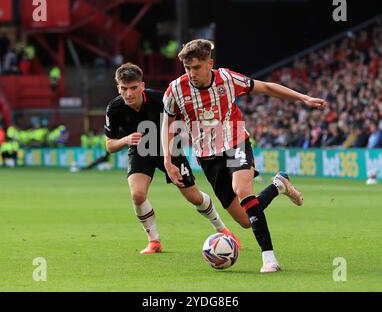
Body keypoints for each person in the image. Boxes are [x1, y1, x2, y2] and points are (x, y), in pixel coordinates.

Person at [161, 39, 327, 273]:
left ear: (210, 63)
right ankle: (278, 186)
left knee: (243, 190)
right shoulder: (176, 89)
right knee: (246, 221)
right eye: (187, 68)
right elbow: (167, 124)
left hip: (235, 142)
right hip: (207, 158)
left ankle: (269, 259)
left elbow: (267, 87)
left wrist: (304, 98)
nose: (191, 73)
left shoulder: (227, 79)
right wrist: (168, 160)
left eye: (196, 67)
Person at [104, 62, 237, 254]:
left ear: (142, 85)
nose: (129, 94)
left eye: (133, 88)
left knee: (194, 197)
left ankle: (222, 230)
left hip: (170, 150)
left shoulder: (161, 99)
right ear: (118, 88)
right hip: (140, 151)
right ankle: (154, 241)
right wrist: (125, 140)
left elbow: (188, 118)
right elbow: (109, 145)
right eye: (124, 89)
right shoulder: (114, 108)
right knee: (137, 195)